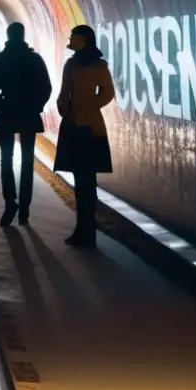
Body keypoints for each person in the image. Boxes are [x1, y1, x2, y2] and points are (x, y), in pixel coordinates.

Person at [0, 22, 52, 227]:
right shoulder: (34, 59)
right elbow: (45, 87)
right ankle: (25, 209)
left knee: (6, 160)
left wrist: (0, 105)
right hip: (29, 114)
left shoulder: (0, 59)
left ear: (8, 35)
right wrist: (36, 105)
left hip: (6, 114)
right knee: (28, 161)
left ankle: (9, 204)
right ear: (23, 35)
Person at [54, 24, 115, 248]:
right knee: (84, 183)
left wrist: (84, 107)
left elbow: (107, 92)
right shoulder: (79, 64)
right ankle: (85, 229)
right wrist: (71, 108)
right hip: (82, 126)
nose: (70, 38)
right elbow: (65, 92)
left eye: (74, 36)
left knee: (85, 182)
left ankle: (86, 230)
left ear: (84, 40)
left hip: (83, 127)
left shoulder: (93, 65)